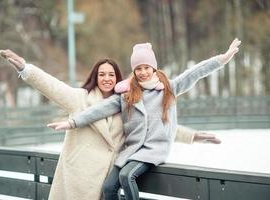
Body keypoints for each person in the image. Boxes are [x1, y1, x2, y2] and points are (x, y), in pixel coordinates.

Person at [0, 50, 220, 200]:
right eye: (102, 74)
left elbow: (154, 127)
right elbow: (53, 87)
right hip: (77, 180)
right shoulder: (79, 98)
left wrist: (193, 136)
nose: (107, 78)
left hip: (102, 184)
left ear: (118, 78)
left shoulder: (127, 102)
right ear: (95, 77)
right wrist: (26, 69)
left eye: (111, 74)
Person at [48, 38, 240, 200]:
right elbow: (99, 110)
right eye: (138, 68)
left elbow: (195, 73)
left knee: (127, 176)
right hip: (130, 151)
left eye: (146, 67)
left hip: (152, 150)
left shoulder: (168, 89)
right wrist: (72, 122)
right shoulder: (126, 95)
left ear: (153, 68)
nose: (143, 72)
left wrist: (221, 60)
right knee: (108, 187)